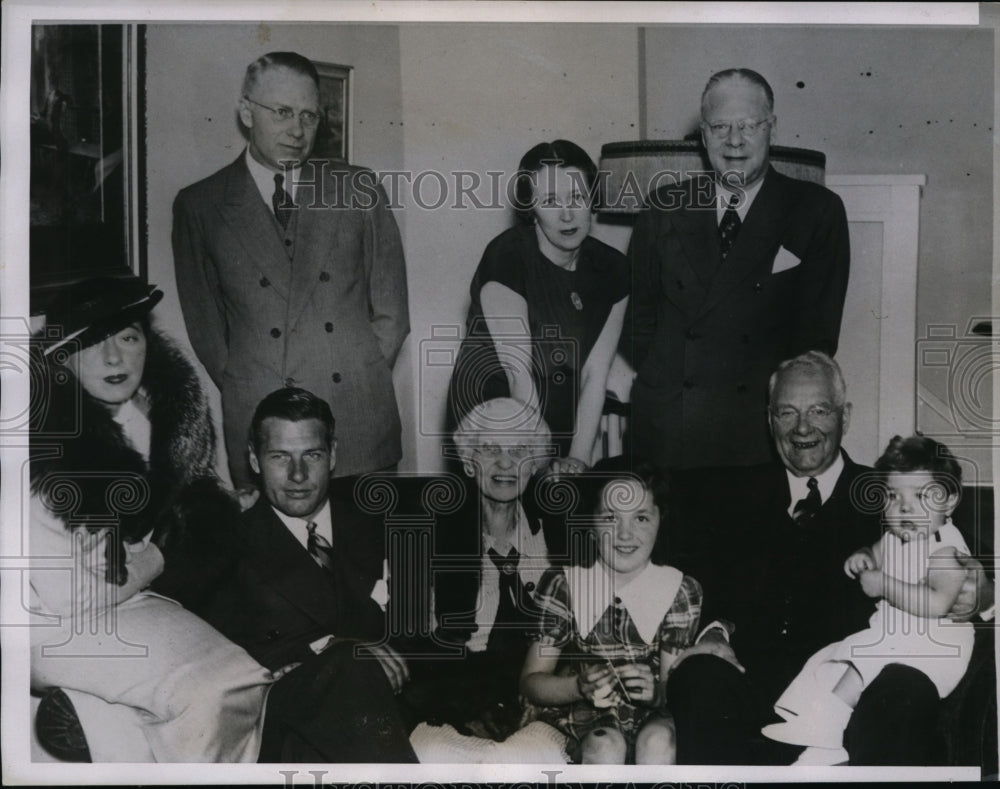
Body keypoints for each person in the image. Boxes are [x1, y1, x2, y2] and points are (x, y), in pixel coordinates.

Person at [665, 351, 993, 765]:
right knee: (698, 677)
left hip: (854, 691)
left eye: (819, 410)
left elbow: (970, 552)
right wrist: (714, 631)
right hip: (750, 682)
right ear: (770, 420)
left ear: (845, 416)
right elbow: (690, 565)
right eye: (787, 412)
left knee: (904, 686)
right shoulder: (732, 494)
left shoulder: (892, 493)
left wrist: (980, 592)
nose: (803, 427)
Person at [28, 276, 273, 762]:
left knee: (245, 673)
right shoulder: (42, 449)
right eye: (92, 342)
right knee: (221, 687)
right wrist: (159, 555)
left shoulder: (148, 418)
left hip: (122, 601)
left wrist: (201, 523)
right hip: (46, 623)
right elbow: (65, 596)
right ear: (61, 359)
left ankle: (108, 725)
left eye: (129, 336)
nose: (115, 358)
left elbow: (193, 507)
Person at [173, 51, 409, 488]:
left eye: (309, 116)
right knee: (276, 556)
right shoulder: (200, 205)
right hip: (265, 424)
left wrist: (356, 370)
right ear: (247, 111)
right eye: (282, 112)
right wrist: (255, 381)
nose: (297, 131)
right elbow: (206, 328)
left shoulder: (358, 188)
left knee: (366, 552)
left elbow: (392, 313)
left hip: (356, 418)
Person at [622, 68, 850, 470]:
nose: (734, 140)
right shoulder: (664, 206)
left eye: (748, 125)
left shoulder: (816, 211)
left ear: (771, 129)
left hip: (758, 439)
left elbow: (817, 338)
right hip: (668, 431)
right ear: (704, 135)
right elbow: (637, 326)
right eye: (721, 126)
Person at [182, 387, 417, 762]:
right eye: (280, 457)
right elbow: (219, 662)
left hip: (392, 718)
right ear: (255, 461)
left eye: (312, 454)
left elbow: (420, 634)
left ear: (333, 455)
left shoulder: (383, 526)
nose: (297, 474)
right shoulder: (225, 546)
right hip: (289, 729)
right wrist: (334, 647)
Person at [762, 435, 975, 764]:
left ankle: (825, 727)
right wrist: (862, 557)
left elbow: (938, 603)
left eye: (920, 496)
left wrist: (885, 585)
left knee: (862, 664)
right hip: (896, 638)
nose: (904, 507)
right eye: (892, 496)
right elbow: (876, 553)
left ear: (948, 501)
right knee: (831, 665)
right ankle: (824, 751)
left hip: (934, 648)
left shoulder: (945, 546)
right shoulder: (895, 536)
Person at [446, 140, 629, 471]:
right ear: (530, 209)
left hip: (559, 410)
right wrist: (542, 466)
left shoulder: (613, 269)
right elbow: (521, 379)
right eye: (550, 201)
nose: (567, 214)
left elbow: (594, 375)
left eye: (577, 197)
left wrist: (577, 459)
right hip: (495, 414)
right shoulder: (507, 257)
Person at [405, 397, 570, 763]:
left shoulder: (558, 530)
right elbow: (414, 640)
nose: (506, 462)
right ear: (467, 460)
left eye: (520, 449)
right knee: (435, 757)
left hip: (542, 700)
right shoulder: (432, 531)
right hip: (454, 696)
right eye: (490, 448)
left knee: (520, 762)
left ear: (536, 463)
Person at [520, 457, 702, 764]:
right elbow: (532, 681)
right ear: (590, 522)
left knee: (658, 741)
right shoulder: (565, 583)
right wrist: (578, 686)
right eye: (610, 518)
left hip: (654, 718)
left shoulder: (678, 589)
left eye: (641, 518)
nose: (625, 534)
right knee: (606, 745)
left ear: (661, 521)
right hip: (585, 720)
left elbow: (675, 689)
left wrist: (657, 692)